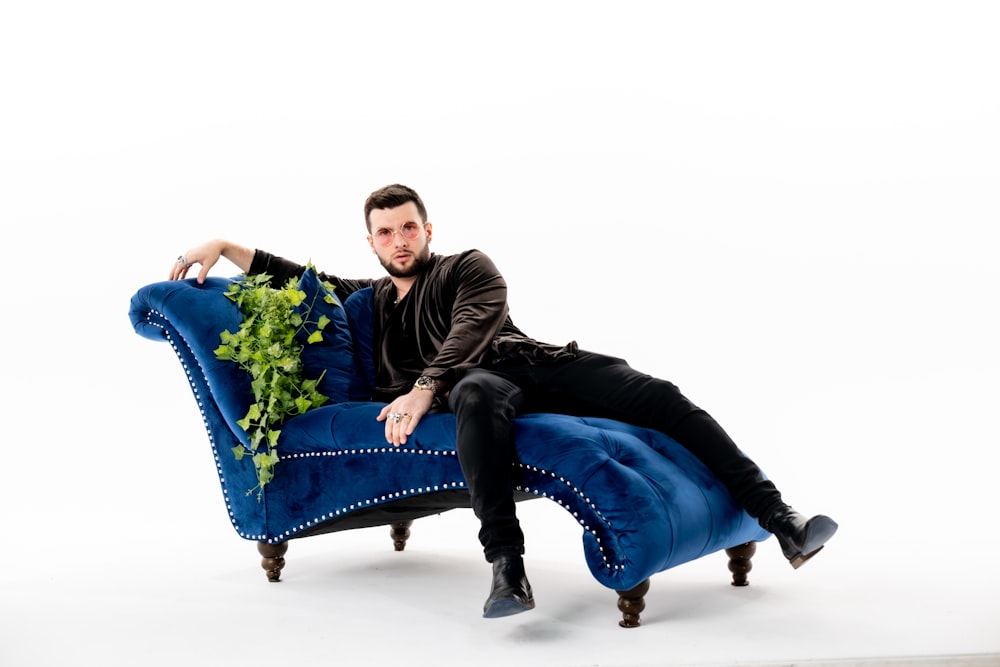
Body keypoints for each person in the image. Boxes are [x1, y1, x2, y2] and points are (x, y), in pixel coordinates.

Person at [170, 183, 838, 619]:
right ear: (371, 243)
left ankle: (778, 516)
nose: (399, 240)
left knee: (657, 396)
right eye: (385, 232)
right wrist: (228, 246)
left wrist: (421, 385)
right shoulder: (369, 299)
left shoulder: (468, 267)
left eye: (409, 227)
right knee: (478, 393)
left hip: (534, 366)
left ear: (428, 229)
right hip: (478, 391)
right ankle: (507, 567)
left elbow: (472, 327)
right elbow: (304, 281)